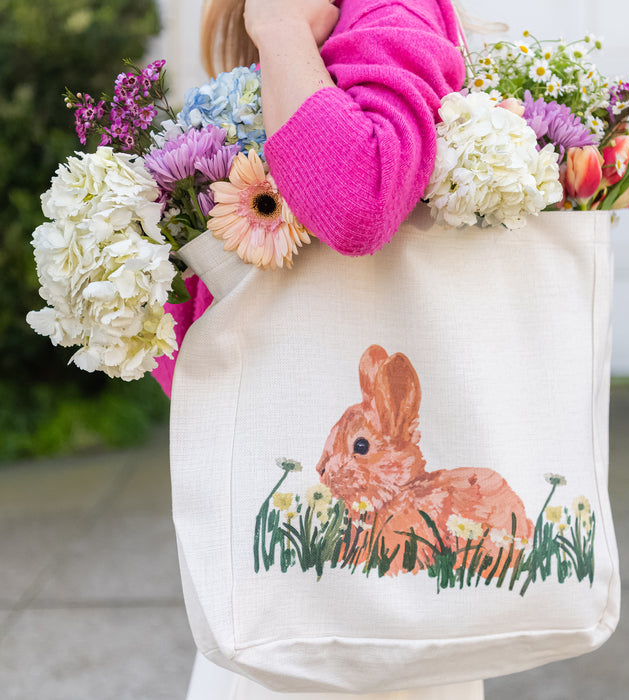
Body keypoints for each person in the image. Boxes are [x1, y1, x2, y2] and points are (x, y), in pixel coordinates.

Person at [153, 0, 485, 697]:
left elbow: (357, 199)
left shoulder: (385, 9)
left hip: (363, 623)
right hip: (282, 590)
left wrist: (276, 27)